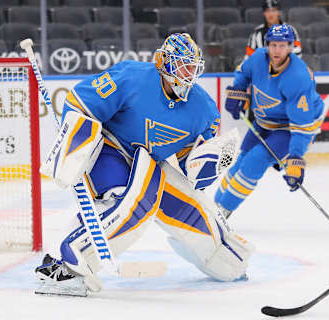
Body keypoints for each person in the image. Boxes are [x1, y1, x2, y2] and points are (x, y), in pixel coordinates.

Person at [35, 33, 254, 295]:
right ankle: (61, 265)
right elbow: (80, 103)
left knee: (194, 209)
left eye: (193, 66)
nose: (189, 72)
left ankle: (226, 259)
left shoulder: (204, 110)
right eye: (183, 64)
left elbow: (190, 167)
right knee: (128, 202)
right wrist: (75, 144)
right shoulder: (132, 76)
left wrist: (209, 163)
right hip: (111, 149)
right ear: (164, 62)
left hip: (148, 162)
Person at [214, 24, 324, 219]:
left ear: (291, 47)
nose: (277, 50)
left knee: (255, 160)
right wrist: (237, 91)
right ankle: (213, 205)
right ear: (267, 45)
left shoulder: (298, 78)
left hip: (292, 127)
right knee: (241, 161)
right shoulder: (258, 58)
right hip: (265, 121)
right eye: (273, 45)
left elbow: (301, 126)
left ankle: (223, 212)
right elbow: (243, 72)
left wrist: (295, 159)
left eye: (282, 46)